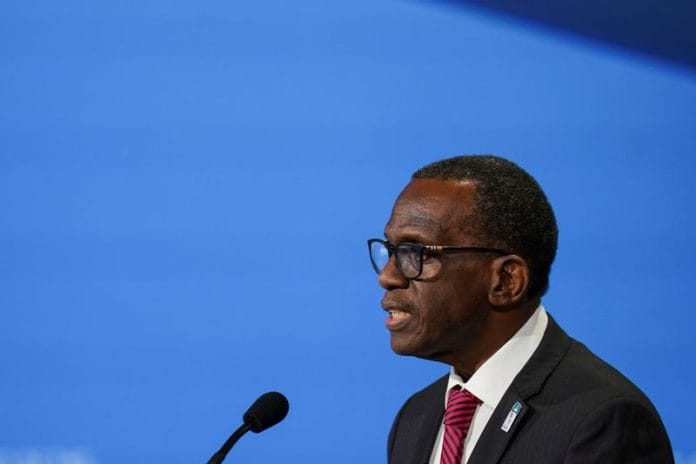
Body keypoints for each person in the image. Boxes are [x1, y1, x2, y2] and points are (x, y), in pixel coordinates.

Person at [367, 155, 673, 464]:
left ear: (506, 281)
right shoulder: (415, 418)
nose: (388, 276)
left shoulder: (603, 420)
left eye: (416, 252)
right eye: (391, 250)